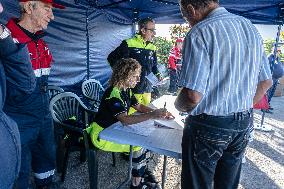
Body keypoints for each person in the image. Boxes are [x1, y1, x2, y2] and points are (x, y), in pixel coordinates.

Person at [174, 0, 273, 189]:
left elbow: (192, 96)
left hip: (209, 124)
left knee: (197, 184)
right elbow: (266, 82)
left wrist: (178, 105)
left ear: (190, 9)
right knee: (227, 185)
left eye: (186, 17)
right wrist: (240, 106)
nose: (188, 21)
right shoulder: (249, 27)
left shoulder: (200, 32)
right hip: (243, 122)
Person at [4, 0, 64, 188]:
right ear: (29, 7)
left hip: (43, 113)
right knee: (17, 167)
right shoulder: (5, 40)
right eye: (47, 9)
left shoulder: (41, 42)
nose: (52, 16)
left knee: (46, 156)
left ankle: (46, 184)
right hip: (16, 118)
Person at [87, 58, 174, 189]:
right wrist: (152, 115)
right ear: (124, 75)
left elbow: (139, 107)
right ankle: (136, 183)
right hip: (101, 133)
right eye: (135, 76)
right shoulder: (114, 94)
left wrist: (159, 112)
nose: (138, 80)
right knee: (140, 145)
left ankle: (141, 172)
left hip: (114, 128)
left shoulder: (126, 89)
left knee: (147, 141)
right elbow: (125, 120)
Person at [0, 2, 36, 188]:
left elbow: (25, 83)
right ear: (29, 8)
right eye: (48, 10)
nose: (1, 9)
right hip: (20, 112)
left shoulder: (5, 39)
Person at [107, 17, 162, 114]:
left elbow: (154, 65)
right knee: (132, 117)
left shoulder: (152, 47)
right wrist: (122, 75)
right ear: (143, 30)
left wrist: (157, 74)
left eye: (155, 30)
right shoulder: (129, 43)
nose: (154, 33)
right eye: (152, 30)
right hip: (133, 88)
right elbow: (111, 58)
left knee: (145, 115)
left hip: (147, 88)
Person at [265, 48, 284, 113]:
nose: (279, 52)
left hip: (276, 79)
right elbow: (266, 67)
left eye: (279, 51)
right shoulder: (270, 57)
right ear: (274, 51)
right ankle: (264, 107)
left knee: (272, 92)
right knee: (268, 92)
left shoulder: (277, 58)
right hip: (271, 78)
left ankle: (268, 104)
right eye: (278, 51)